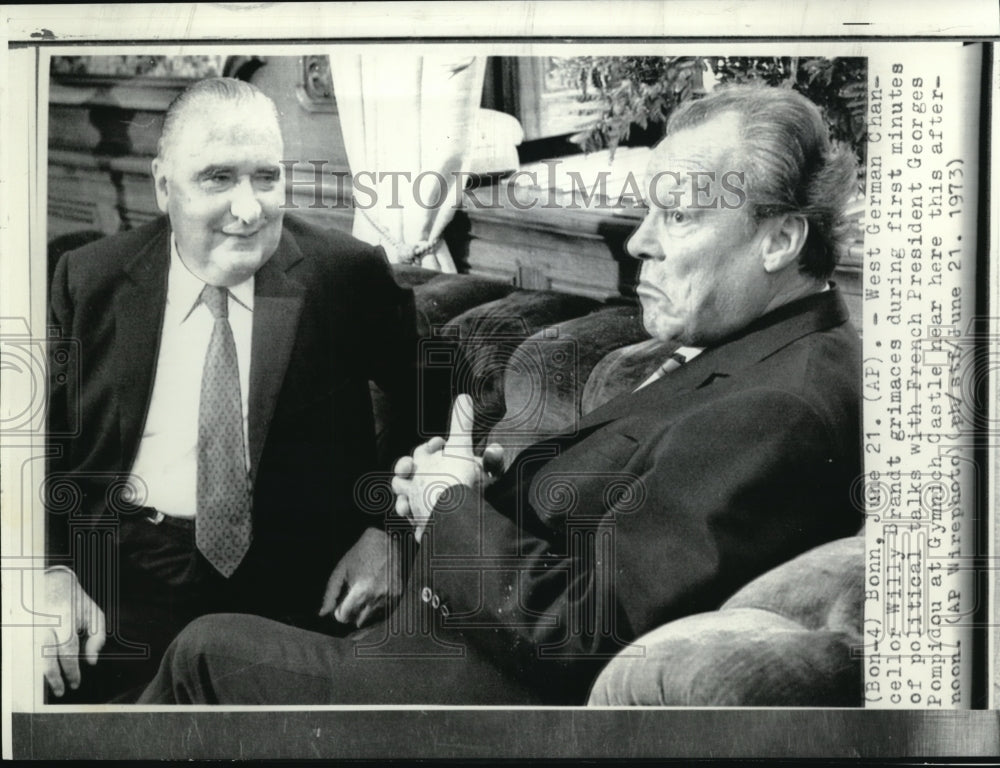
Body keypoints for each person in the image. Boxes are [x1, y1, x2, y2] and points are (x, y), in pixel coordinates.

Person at [137, 82, 863, 706]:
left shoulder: (779, 409)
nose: (639, 242)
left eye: (676, 216)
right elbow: (610, 538)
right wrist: (465, 494)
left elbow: (584, 631)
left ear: (780, 241)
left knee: (204, 650)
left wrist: (450, 507)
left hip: (474, 694)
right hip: (444, 635)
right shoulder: (758, 357)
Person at [42, 77, 417, 702]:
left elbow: (443, 395)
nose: (249, 209)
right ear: (164, 186)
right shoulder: (89, 281)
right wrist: (50, 570)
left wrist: (390, 534)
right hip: (121, 580)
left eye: (265, 177)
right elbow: (36, 444)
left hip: (294, 594)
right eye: (217, 178)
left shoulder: (343, 276)